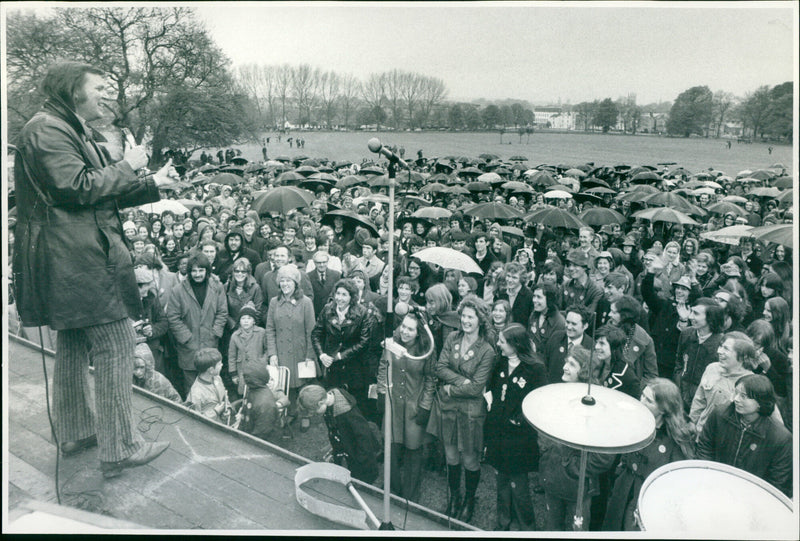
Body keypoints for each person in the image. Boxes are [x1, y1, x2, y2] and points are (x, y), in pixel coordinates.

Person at [12, 61, 171, 476]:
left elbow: (98, 192)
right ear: (72, 90)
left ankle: (76, 431)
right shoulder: (47, 129)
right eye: (98, 87)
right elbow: (77, 188)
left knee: (73, 342)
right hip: (76, 259)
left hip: (71, 256)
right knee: (118, 342)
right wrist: (130, 164)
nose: (106, 94)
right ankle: (120, 446)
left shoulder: (67, 127)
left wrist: (154, 185)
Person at [427, 295, 496, 522]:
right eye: (463, 316)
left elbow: (477, 388)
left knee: (469, 459)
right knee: (450, 455)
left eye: (470, 317)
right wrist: (461, 382)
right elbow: (440, 367)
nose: (465, 321)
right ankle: (455, 497)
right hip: (448, 409)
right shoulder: (453, 338)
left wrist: (450, 388)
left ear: (480, 320)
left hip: (470, 411)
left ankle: (469, 499)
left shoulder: (487, 350)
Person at [602, 378, 695, 531]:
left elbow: (676, 483)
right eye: (642, 396)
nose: (641, 401)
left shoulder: (677, 440)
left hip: (647, 500)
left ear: (664, 409)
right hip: (622, 490)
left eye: (649, 400)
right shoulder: (636, 422)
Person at [539, 346, 615, 531]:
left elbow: (605, 455)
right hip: (552, 476)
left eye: (572, 364)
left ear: (584, 371)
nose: (565, 367)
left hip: (577, 487)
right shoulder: (560, 393)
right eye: (566, 362)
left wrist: (574, 469)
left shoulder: (596, 403)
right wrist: (547, 451)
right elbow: (544, 427)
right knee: (552, 527)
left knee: (577, 531)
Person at [485, 324, 547, 531]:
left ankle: (527, 526)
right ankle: (504, 522)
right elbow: (492, 388)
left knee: (519, 485)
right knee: (501, 480)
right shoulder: (500, 361)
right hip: (497, 433)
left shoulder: (535, 368)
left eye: (502, 341)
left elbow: (539, 401)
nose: (499, 344)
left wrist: (519, 418)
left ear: (515, 344)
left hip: (519, 438)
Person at [696, 374, 792, 498]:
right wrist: (708, 478)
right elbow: (705, 447)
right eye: (735, 393)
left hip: (750, 499)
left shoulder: (781, 438)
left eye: (744, 396)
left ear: (761, 402)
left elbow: (777, 482)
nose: (736, 399)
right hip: (714, 488)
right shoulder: (719, 414)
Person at [376, 312, 436, 501]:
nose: (405, 332)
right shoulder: (391, 342)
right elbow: (383, 366)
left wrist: (425, 406)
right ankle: (393, 486)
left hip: (414, 405)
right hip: (393, 403)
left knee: (413, 450)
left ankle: (411, 493)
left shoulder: (426, 350)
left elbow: (430, 379)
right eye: (403, 326)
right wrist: (381, 392)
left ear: (418, 333)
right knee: (391, 446)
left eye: (411, 329)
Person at [265, 264, 317, 430]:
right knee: (286, 385)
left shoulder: (305, 302)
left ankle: (305, 414)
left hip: (300, 352)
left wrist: (309, 355)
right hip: (281, 352)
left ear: (296, 283)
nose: (285, 284)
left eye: (289, 281)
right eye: (282, 281)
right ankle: (291, 412)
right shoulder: (274, 302)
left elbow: (311, 331)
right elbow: (270, 329)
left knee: (303, 385)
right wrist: (272, 354)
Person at [166, 253, 229, 390]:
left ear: (207, 271)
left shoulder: (217, 287)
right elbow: (172, 317)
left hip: (210, 344)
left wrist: (215, 333)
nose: (197, 274)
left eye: (201, 270)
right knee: (192, 388)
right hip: (189, 347)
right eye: (194, 270)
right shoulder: (178, 290)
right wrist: (186, 337)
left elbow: (222, 312)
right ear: (189, 272)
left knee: (212, 384)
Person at [298, 384, 380, 484]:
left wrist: (360, 459)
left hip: (361, 455)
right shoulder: (329, 402)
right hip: (348, 449)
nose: (317, 414)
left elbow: (364, 436)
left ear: (320, 402)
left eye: (315, 412)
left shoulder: (348, 414)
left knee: (361, 481)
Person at [311, 279, 373, 411]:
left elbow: (364, 342)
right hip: (332, 366)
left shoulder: (362, 313)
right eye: (338, 293)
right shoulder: (327, 310)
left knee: (355, 403)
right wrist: (321, 355)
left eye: (344, 294)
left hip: (355, 367)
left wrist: (341, 355)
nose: (339, 298)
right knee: (332, 401)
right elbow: (316, 334)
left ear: (352, 297)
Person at [689, 331, 759, 437]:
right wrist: (691, 425)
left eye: (726, 349)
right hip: (701, 435)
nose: (718, 351)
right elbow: (699, 402)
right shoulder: (712, 369)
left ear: (742, 356)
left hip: (726, 442)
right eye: (720, 346)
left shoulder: (752, 383)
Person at [228, 301, 269, 397]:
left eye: (249, 318)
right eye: (243, 318)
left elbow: (268, 350)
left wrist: (263, 361)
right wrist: (233, 374)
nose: (246, 321)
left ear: (254, 321)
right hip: (242, 370)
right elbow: (232, 356)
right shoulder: (235, 336)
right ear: (239, 321)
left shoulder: (262, 332)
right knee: (244, 393)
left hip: (258, 368)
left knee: (258, 391)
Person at [186, 348, 235, 424]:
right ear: (211, 370)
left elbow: (224, 398)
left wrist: (228, 409)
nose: (222, 365)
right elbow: (194, 421)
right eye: (219, 364)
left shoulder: (217, 379)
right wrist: (215, 412)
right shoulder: (196, 393)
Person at [594, 325, 642, 398]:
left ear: (614, 347)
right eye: (596, 342)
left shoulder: (628, 377)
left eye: (602, 343)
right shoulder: (596, 362)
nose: (596, 347)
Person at [528, 282, 566, 353]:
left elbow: (555, 352)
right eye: (534, 296)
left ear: (549, 299)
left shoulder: (559, 322)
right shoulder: (533, 315)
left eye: (539, 297)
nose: (534, 300)